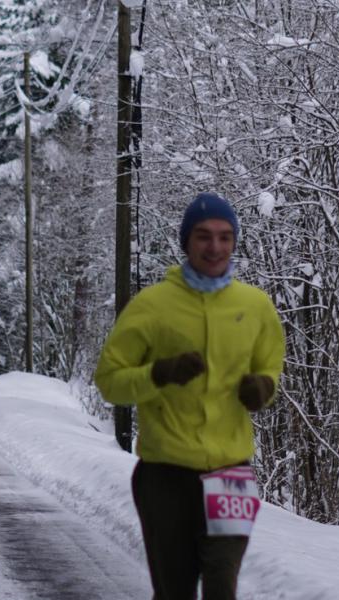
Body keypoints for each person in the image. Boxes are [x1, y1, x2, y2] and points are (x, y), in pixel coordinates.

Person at [94, 192, 286, 600]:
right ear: (186, 241)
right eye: (203, 236)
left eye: (224, 237)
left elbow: (270, 367)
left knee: (221, 585)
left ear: (234, 242)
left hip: (231, 475)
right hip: (166, 479)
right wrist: (160, 373)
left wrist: (263, 388)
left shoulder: (255, 306)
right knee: (175, 591)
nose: (215, 247)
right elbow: (110, 381)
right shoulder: (152, 306)